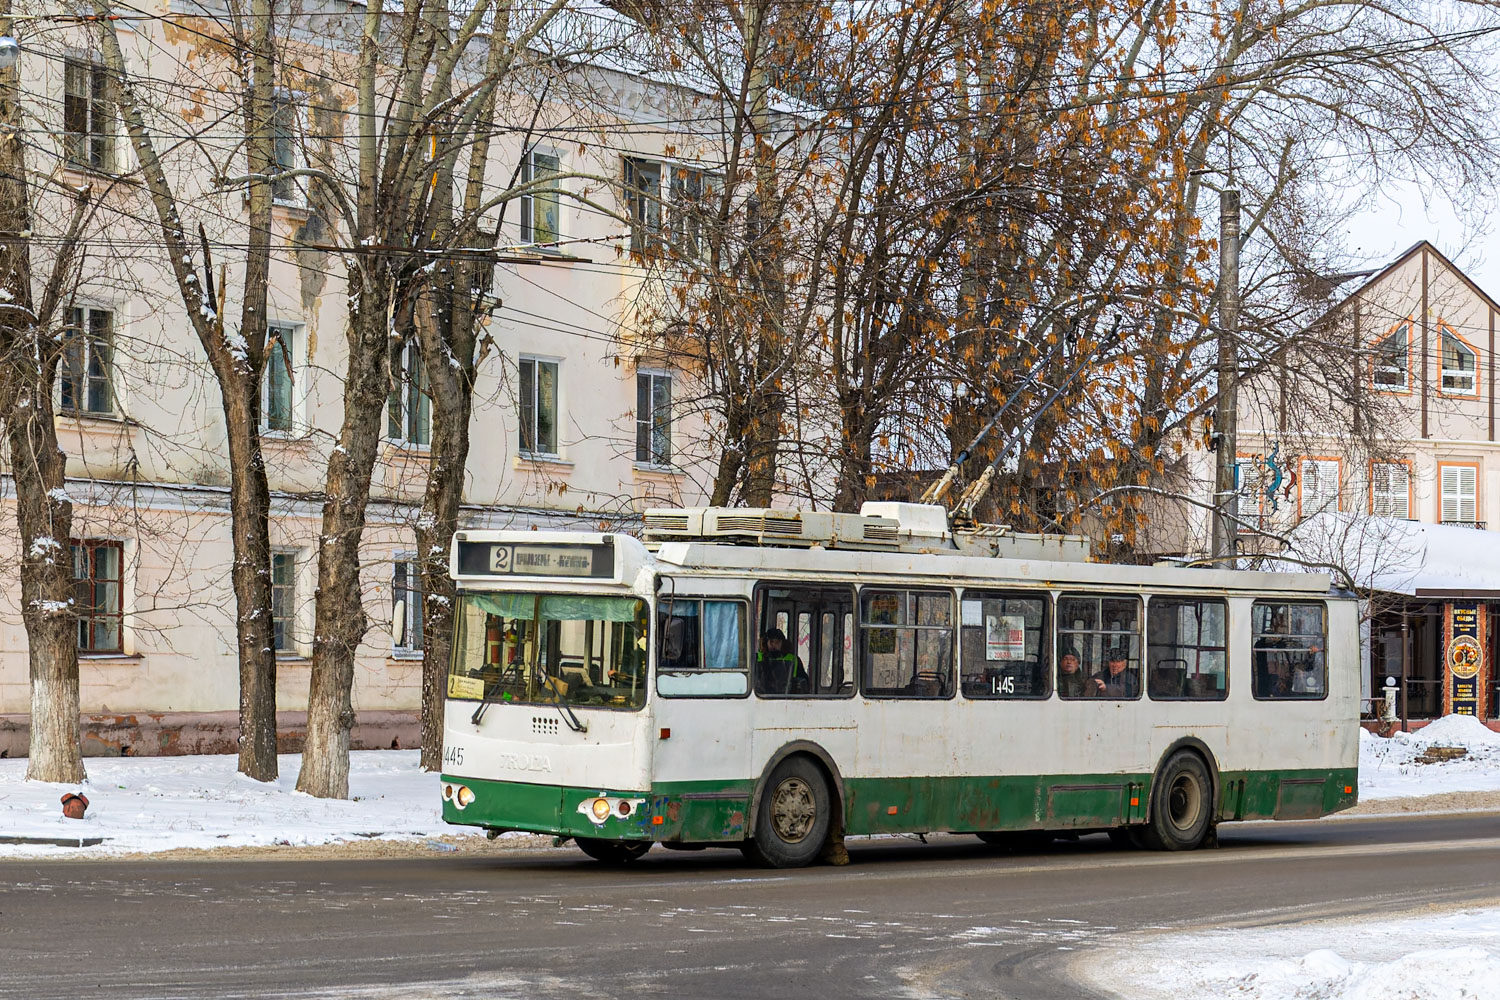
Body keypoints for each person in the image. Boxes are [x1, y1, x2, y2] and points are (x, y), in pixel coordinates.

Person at [757, 628, 808, 694]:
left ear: (783, 643)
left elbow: (803, 681)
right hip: (761, 696)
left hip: (786, 697)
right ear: (765, 643)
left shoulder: (793, 659)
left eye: (777, 642)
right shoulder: (757, 658)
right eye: (771, 642)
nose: (774, 645)